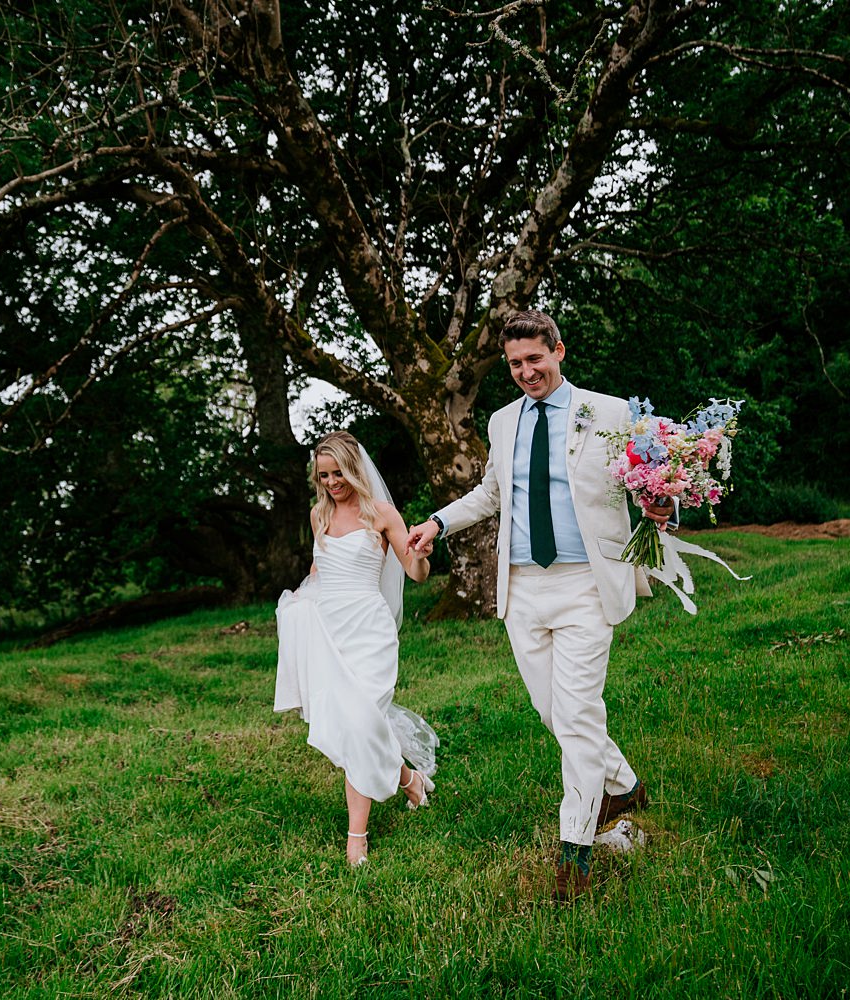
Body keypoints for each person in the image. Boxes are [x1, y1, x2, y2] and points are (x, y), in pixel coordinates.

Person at [404, 309, 671, 900]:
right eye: (516, 364)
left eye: (536, 359)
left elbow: (650, 481)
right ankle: (623, 784)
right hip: (522, 587)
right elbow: (492, 492)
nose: (527, 372)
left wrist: (660, 504)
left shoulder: (610, 413)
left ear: (559, 351)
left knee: (576, 716)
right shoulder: (502, 422)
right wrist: (438, 522)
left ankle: (575, 850)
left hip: (584, 583)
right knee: (554, 713)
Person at [274, 431, 440, 867]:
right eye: (323, 475)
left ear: (354, 467)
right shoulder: (317, 516)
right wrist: (298, 606)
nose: (331, 483)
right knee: (355, 726)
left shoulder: (381, 514)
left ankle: (356, 838)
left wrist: (421, 554)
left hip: (369, 630)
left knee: (363, 718)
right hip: (330, 632)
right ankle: (410, 781)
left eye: (338, 473)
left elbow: (416, 573)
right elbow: (319, 569)